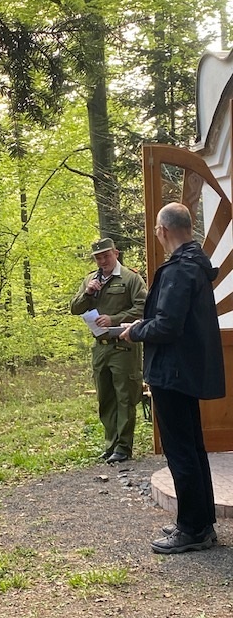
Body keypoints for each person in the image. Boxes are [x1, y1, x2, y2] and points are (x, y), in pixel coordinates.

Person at [121, 202, 225, 554]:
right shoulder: (196, 265)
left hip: (172, 373)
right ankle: (201, 523)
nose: (156, 234)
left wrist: (136, 330)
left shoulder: (179, 270)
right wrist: (144, 324)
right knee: (193, 449)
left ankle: (192, 529)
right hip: (184, 370)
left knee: (181, 451)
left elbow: (167, 326)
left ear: (163, 230)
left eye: (156, 229)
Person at [70, 238, 147, 463]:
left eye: (106, 255)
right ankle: (111, 444)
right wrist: (87, 293)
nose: (103, 261)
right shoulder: (90, 280)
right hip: (100, 347)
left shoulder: (131, 278)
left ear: (116, 253)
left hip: (124, 346)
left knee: (125, 397)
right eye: (98, 258)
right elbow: (74, 308)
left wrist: (113, 319)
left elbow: (143, 307)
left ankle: (123, 447)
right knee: (105, 398)